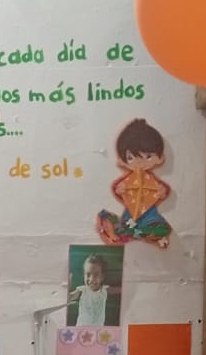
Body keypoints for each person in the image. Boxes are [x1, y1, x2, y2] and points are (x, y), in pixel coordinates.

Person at [97, 117, 173, 247]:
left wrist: (162, 192)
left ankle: (135, 231)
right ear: (122, 161)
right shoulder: (128, 179)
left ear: (160, 158)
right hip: (131, 214)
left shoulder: (151, 179)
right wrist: (120, 190)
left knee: (162, 228)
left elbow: (161, 190)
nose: (139, 162)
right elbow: (119, 189)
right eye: (131, 157)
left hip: (150, 216)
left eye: (148, 156)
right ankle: (132, 230)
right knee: (127, 223)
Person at [68, 253, 118, 328]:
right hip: (81, 329)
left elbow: (121, 290)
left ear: (102, 277)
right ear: (84, 275)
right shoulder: (82, 290)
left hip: (97, 331)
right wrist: (68, 287)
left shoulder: (104, 290)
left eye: (96, 275)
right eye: (88, 274)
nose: (91, 279)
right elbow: (69, 298)